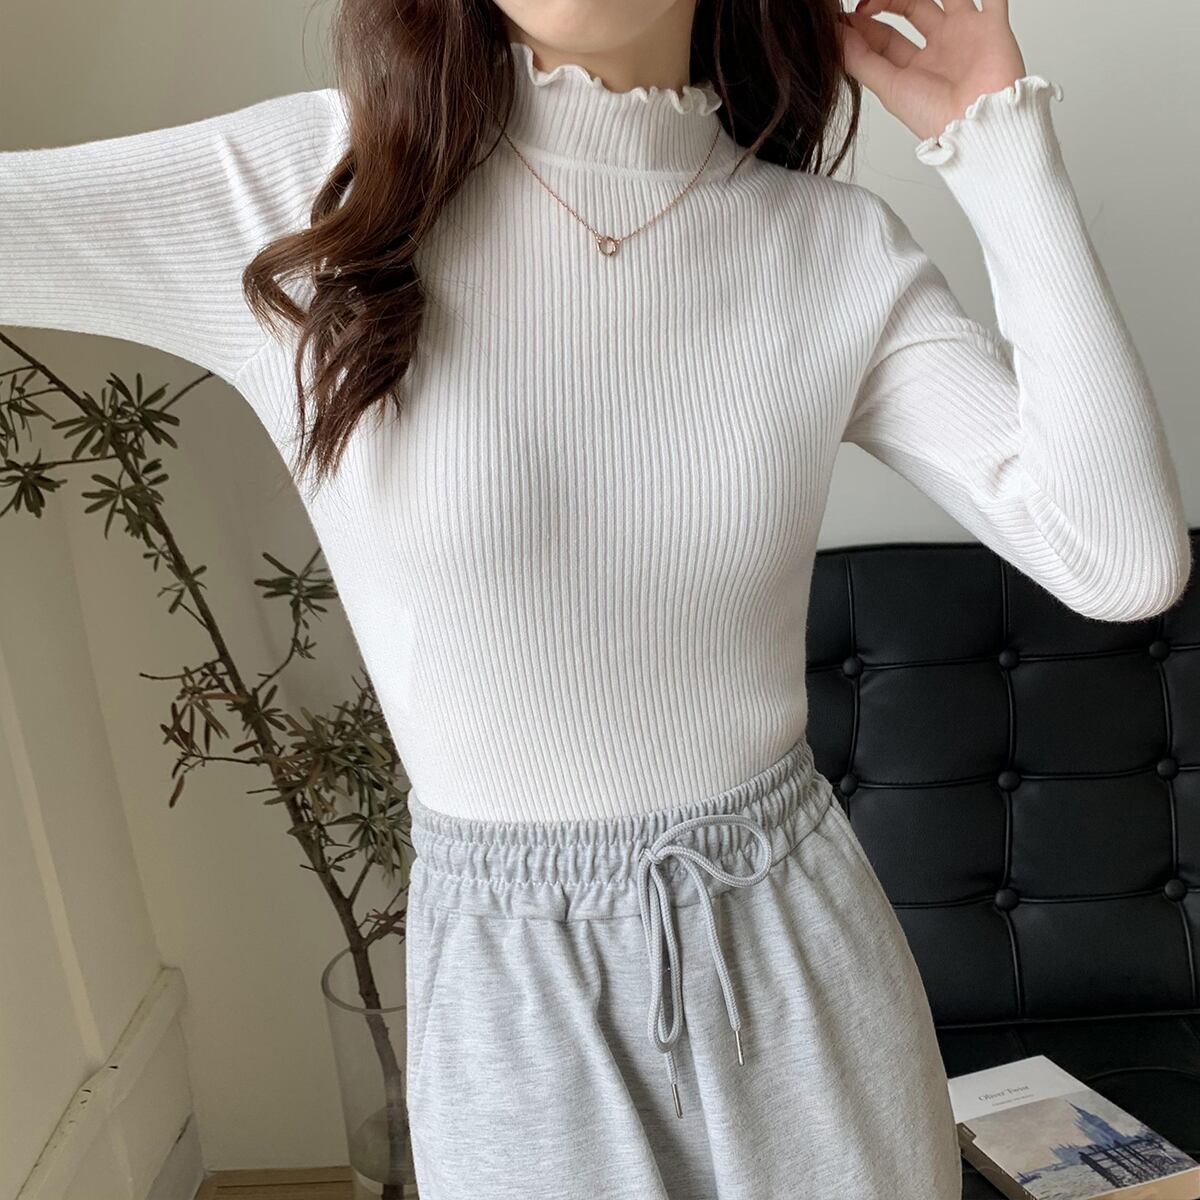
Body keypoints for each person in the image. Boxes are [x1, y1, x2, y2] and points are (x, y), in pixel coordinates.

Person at [0, 1, 1190, 1197]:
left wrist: (997, 141)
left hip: (803, 965)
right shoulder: (307, 193)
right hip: (517, 1010)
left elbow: (1121, 557)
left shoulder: (828, 248)